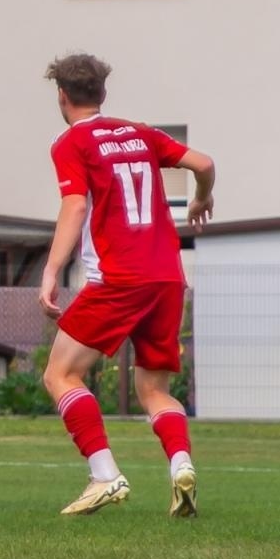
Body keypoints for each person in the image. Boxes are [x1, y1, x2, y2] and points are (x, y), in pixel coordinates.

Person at [38, 53, 215, 517]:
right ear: (103, 92)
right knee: (154, 389)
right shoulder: (140, 133)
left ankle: (104, 475)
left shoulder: (71, 141)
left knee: (60, 374)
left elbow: (75, 206)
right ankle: (181, 466)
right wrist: (201, 197)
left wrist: (51, 270)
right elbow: (203, 162)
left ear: (62, 96)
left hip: (119, 278)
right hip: (167, 277)